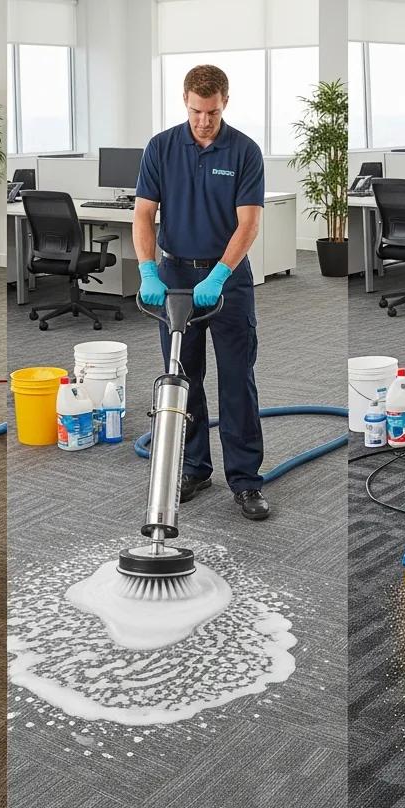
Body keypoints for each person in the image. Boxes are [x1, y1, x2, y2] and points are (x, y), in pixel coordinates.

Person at [132, 64, 269, 520]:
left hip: (226, 278)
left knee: (236, 381)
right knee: (182, 378)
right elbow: (144, 214)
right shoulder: (162, 147)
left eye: (210, 112)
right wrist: (149, 271)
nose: (203, 121)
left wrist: (218, 276)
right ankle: (193, 467)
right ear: (184, 101)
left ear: (224, 102)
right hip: (173, 276)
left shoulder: (245, 151)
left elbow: (248, 224)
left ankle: (246, 481)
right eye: (195, 111)